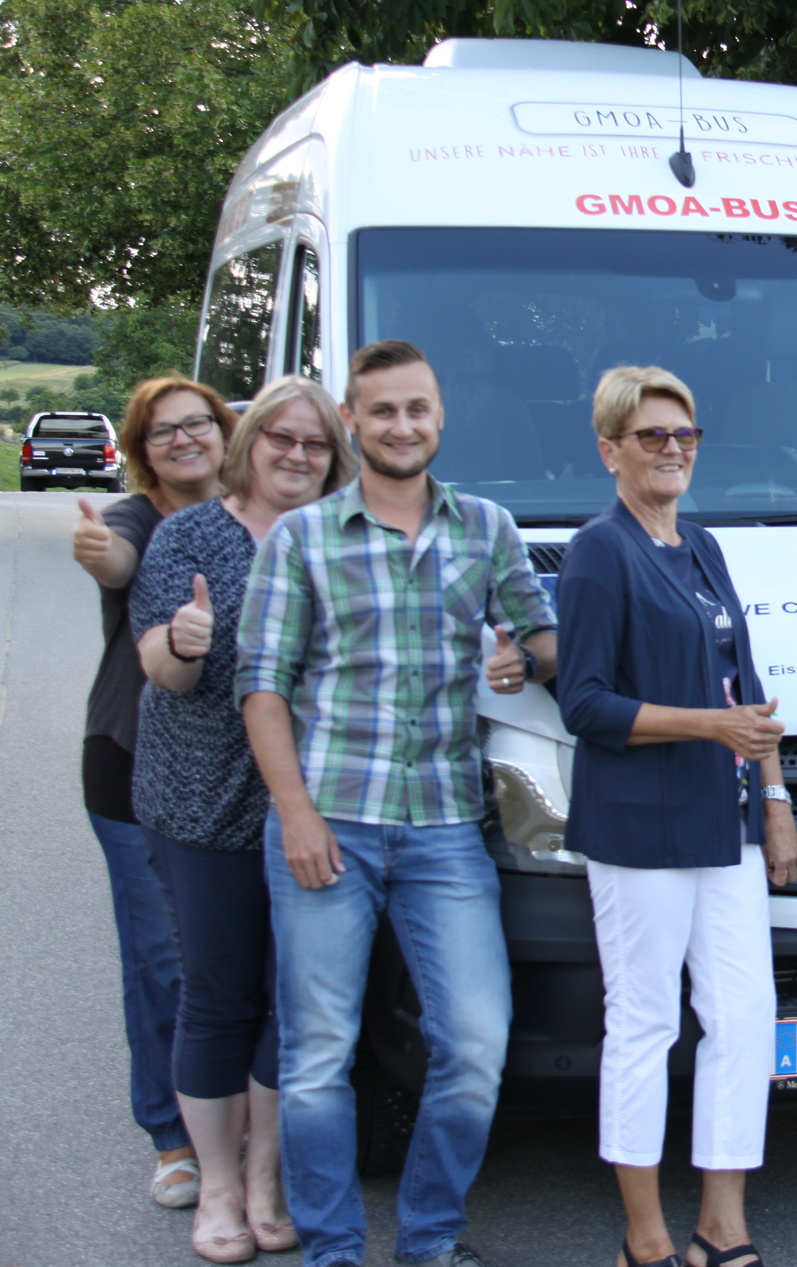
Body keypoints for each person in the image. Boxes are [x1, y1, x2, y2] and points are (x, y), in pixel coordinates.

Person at [237, 341, 557, 1267]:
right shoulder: (302, 537)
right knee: (317, 1055)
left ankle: (429, 1235)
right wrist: (296, 813)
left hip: (446, 829)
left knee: (476, 1041)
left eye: (417, 408)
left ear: (440, 416)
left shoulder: (486, 527)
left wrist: (524, 656)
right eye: (382, 410)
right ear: (352, 421)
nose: (402, 425)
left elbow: (543, 637)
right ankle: (333, 1248)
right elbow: (262, 686)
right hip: (328, 822)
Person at [557, 366, 797, 1267]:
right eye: (651, 435)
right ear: (610, 450)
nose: (672, 449)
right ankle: (646, 1235)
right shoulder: (598, 551)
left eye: (684, 434)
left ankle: (721, 1226)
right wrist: (708, 725)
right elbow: (584, 703)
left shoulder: (701, 545)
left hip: (722, 820)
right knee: (647, 1022)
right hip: (638, 829)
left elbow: (746, 687)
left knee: (743, 1015)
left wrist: (774, 797)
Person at [132, 376, 356, 1263]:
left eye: (315, 443)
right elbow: (160, 665)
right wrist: (183, 641)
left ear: (333, 459)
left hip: (316, 804)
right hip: (203, 801)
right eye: (281, 438)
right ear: (250, 441)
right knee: (219, 994)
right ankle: (218, 1187)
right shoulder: (189, 534)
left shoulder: (345, 538)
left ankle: (266, 1178)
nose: (297, 455)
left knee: (293, 999)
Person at [71, 375, 238, 1210]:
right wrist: (101, 552)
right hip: (130, 761)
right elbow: (119, 556)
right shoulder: (139, 519)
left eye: (197, 423)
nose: (184, 439)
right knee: (162, 959)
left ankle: (226, 1114)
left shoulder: (257, 513)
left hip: (227, 772)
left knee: (223, 958)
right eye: (162, 431)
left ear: (223, 430)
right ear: (142, 451)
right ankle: (172, 1135)